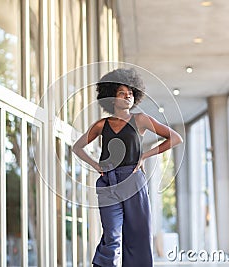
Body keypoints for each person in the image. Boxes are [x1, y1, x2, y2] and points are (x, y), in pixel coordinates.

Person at [72, 68, 183, 267]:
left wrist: (145, 156)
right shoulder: (101, 124)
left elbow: (175, 138)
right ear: (112, 98)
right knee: (111, 234)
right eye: (122, 93)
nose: (128, 96)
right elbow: (77, 147)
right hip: (108, 183)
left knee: (138, 235)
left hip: (133, 181)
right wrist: (96, 165)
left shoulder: (140, 119)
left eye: (131, 93)